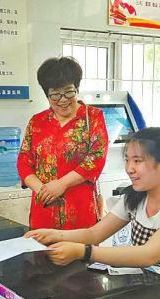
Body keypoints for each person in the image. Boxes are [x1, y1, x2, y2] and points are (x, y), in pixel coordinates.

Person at [25, 127, 160, 299]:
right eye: (127, 160)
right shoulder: (135, 196)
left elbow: (148, 255)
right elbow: (95, 233)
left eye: (137, 161)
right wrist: (54, 234)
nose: (129, 168)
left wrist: (84, 252)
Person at [17, 56, 109, 230]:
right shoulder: (37, 122)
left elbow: (95, 159)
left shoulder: (93, 117)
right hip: (44, 210)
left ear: (77, 88)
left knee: (81, 247)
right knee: (41, 247)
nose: (63, 99)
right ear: (47, 94)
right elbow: (24, 161)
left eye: (69, 92)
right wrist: (43, 190)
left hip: (80, 210)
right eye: (55, 94)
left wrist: (61, 184)